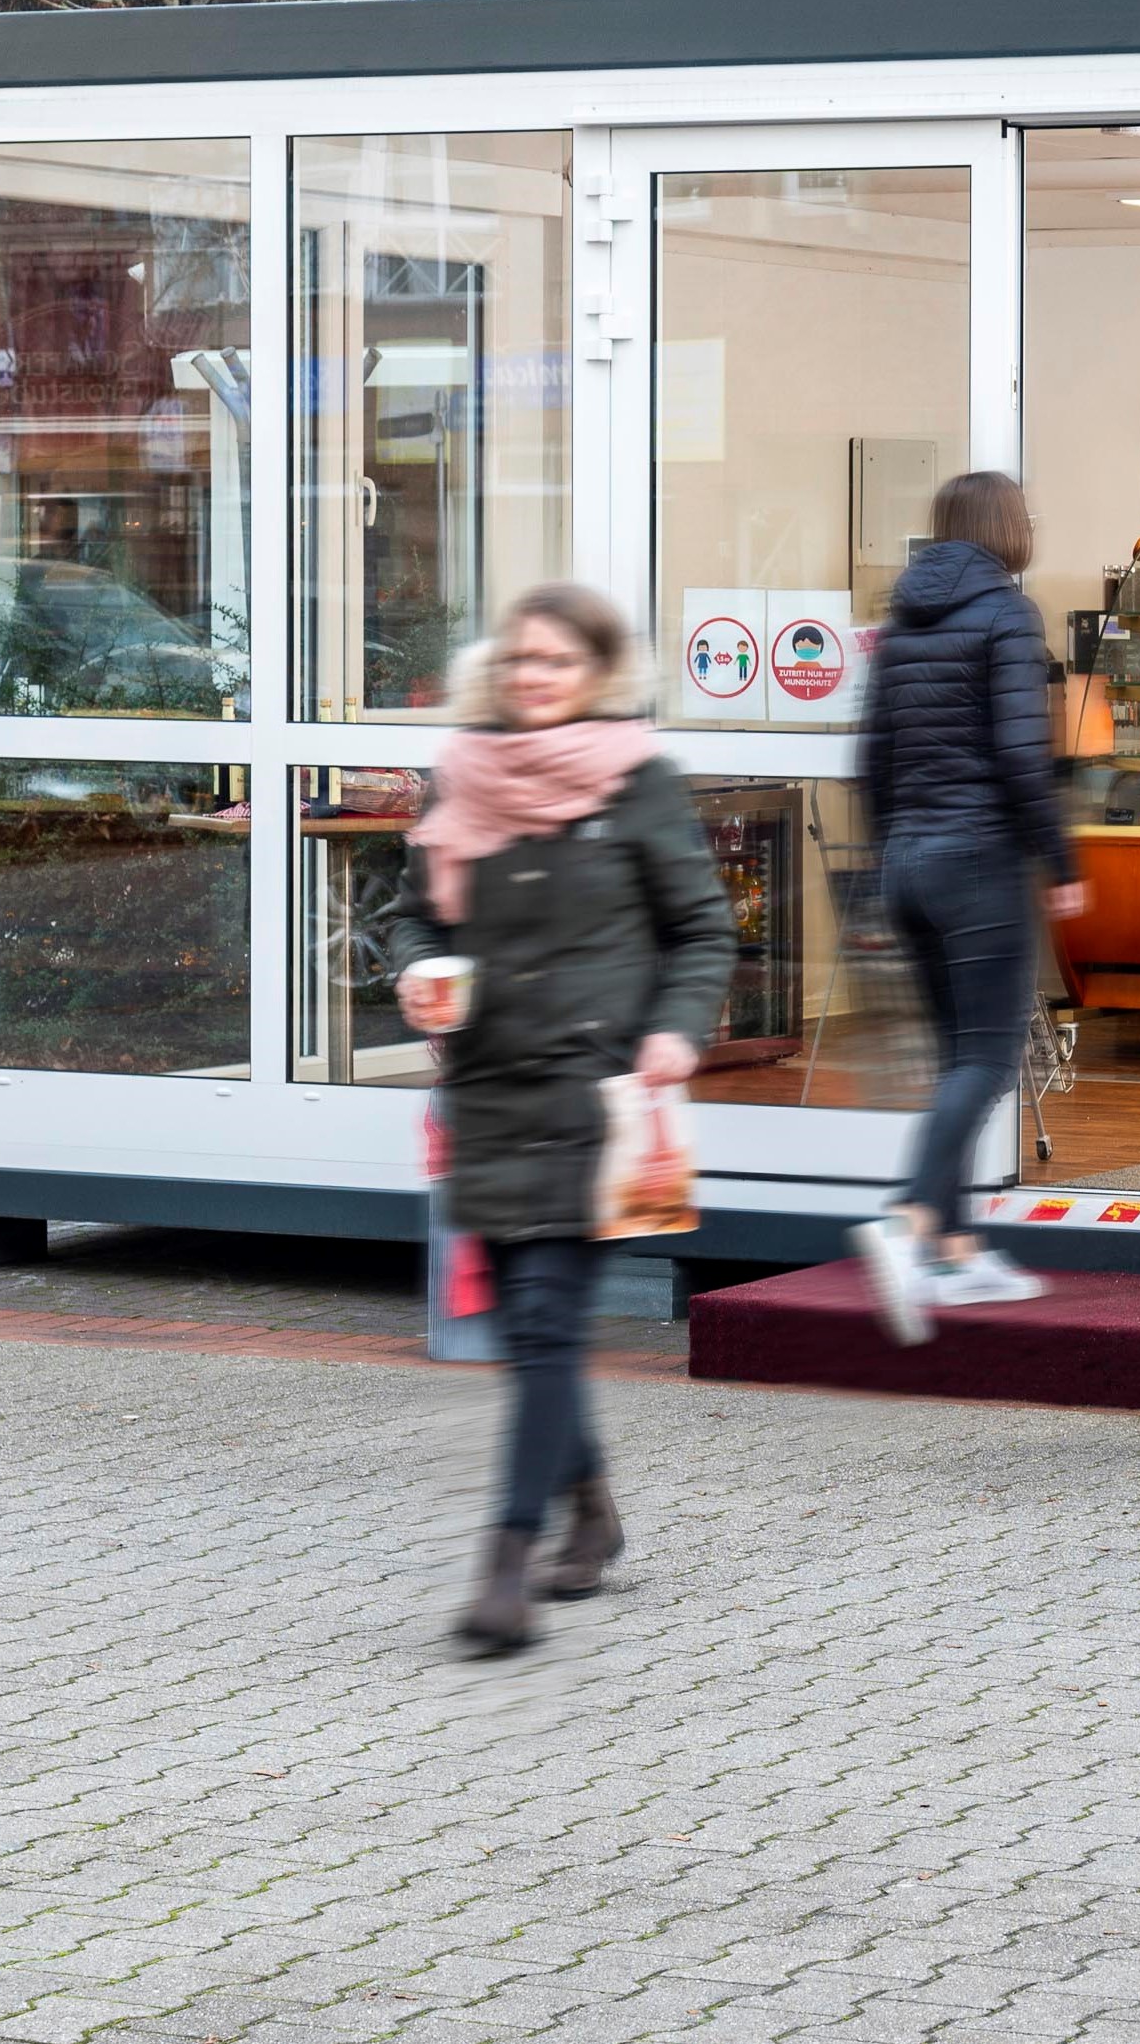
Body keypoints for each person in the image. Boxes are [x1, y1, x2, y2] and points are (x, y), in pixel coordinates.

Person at [390, 582, 735, 1657]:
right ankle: (591, 1510)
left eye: (559, 661)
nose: (536, 676)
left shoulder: (639, 783)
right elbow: (412, 918)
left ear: (597, 676)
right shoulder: (463, 777)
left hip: (597, 1099)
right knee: (528, 1334)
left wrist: (677, 1030)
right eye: (523, 658)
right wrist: (415, 977)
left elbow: (702, 933)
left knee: (543, 1323)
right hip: (490, 1089)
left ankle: (507, 1572)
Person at [850, 472, 1086, 1341]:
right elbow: (1023, 758)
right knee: (987, 1061)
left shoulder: (899, 620)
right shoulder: (1007, 616)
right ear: (1010, 529)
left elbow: (871, 759)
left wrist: (890, 859)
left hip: (910, 861)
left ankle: (951, 1247)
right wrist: (1058, 860)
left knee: (957, 1058)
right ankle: (910, 1221)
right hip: (979, 862)